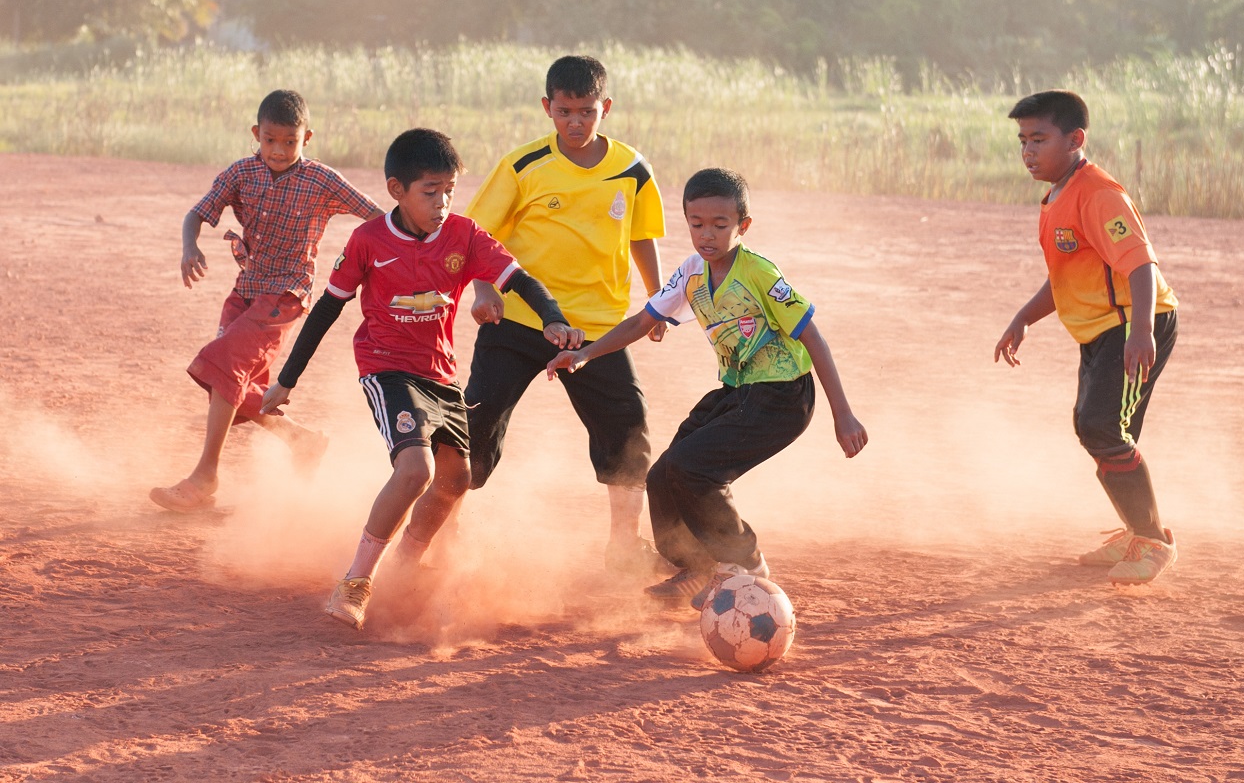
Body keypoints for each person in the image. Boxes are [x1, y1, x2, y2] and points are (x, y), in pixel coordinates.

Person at [260, 128, 582, 630]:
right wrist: (287, 379)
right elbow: (327, 309)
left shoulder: (464, 234)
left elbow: (519, 280)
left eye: (449, 189)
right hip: (386, 367)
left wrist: (553, 318)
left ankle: (405, 566)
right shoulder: (369, 240)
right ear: (397, 190)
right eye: (429, 191)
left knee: (458, 479)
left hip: (440, 375)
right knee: (417, 471)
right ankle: (356, 582)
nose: (442, 201)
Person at [548, 168, 869, 610]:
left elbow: (812, 336)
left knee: (695, 469)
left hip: (783, 396)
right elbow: (644, 321)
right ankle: (698, 565)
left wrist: (843, 415)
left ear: (743, 226)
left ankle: (746, 564)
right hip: (738, 392)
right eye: (697, 224)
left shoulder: (758, 272)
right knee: (663, 474)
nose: (707, 234)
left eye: (720, 225)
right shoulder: (691, 272)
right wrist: (587, 353)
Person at [460, 54, 669, 575]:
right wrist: (483, 288)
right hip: (520, 322)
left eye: (586, 111)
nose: (575, 122)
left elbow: (641, 236)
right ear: (547, 108)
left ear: (606, 108)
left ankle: (624, 547)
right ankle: (442, 525)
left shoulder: (632, 169)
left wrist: (658, 299)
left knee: (628, 432)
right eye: (564, 111)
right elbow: (475, 237)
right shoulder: (523, 165)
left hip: (597, 329)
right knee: (475, 427)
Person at [150, 89, 384, 513]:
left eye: (290, 141)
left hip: (286, 295)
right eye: (271, 140)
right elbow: (197, 213)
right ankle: (302, 440)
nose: (279, 150)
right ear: (257, 134)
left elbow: (378, 217)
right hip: (246, 290)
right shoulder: (241, 173)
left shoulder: (322, 180)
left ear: (306, 138)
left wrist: (384, 262)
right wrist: (190, 247)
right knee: (233, 386)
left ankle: (205, 477)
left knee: (224, 364)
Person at [995, 90, 1180, 585]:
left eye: (1039, 139)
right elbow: (1065, 276)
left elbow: (1140, 263)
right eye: (1022, 140)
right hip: (1104, 329)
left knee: (1098, 427)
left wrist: (1140, 332)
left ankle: (1152, 542)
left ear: (1075, 139)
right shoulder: (1056, 195)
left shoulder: (1099, 193)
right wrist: (1023, 318)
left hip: (1135, 323)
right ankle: (1138, 529)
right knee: (1102, 429)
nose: (1028, 151)